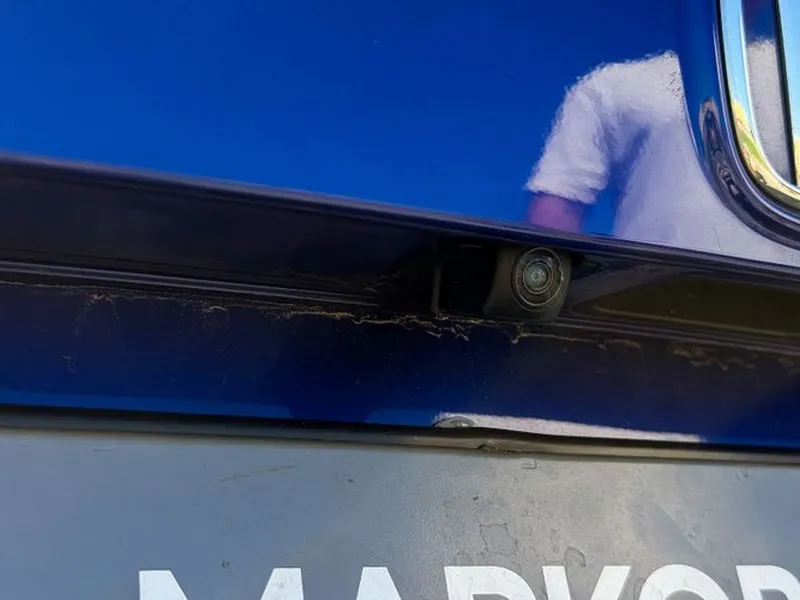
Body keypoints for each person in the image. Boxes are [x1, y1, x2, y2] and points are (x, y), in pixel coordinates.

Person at [525, 40, 800, 266]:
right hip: (644, 304)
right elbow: (555, 214)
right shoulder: (608, 86)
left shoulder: (791, 75)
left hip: (778, 303)